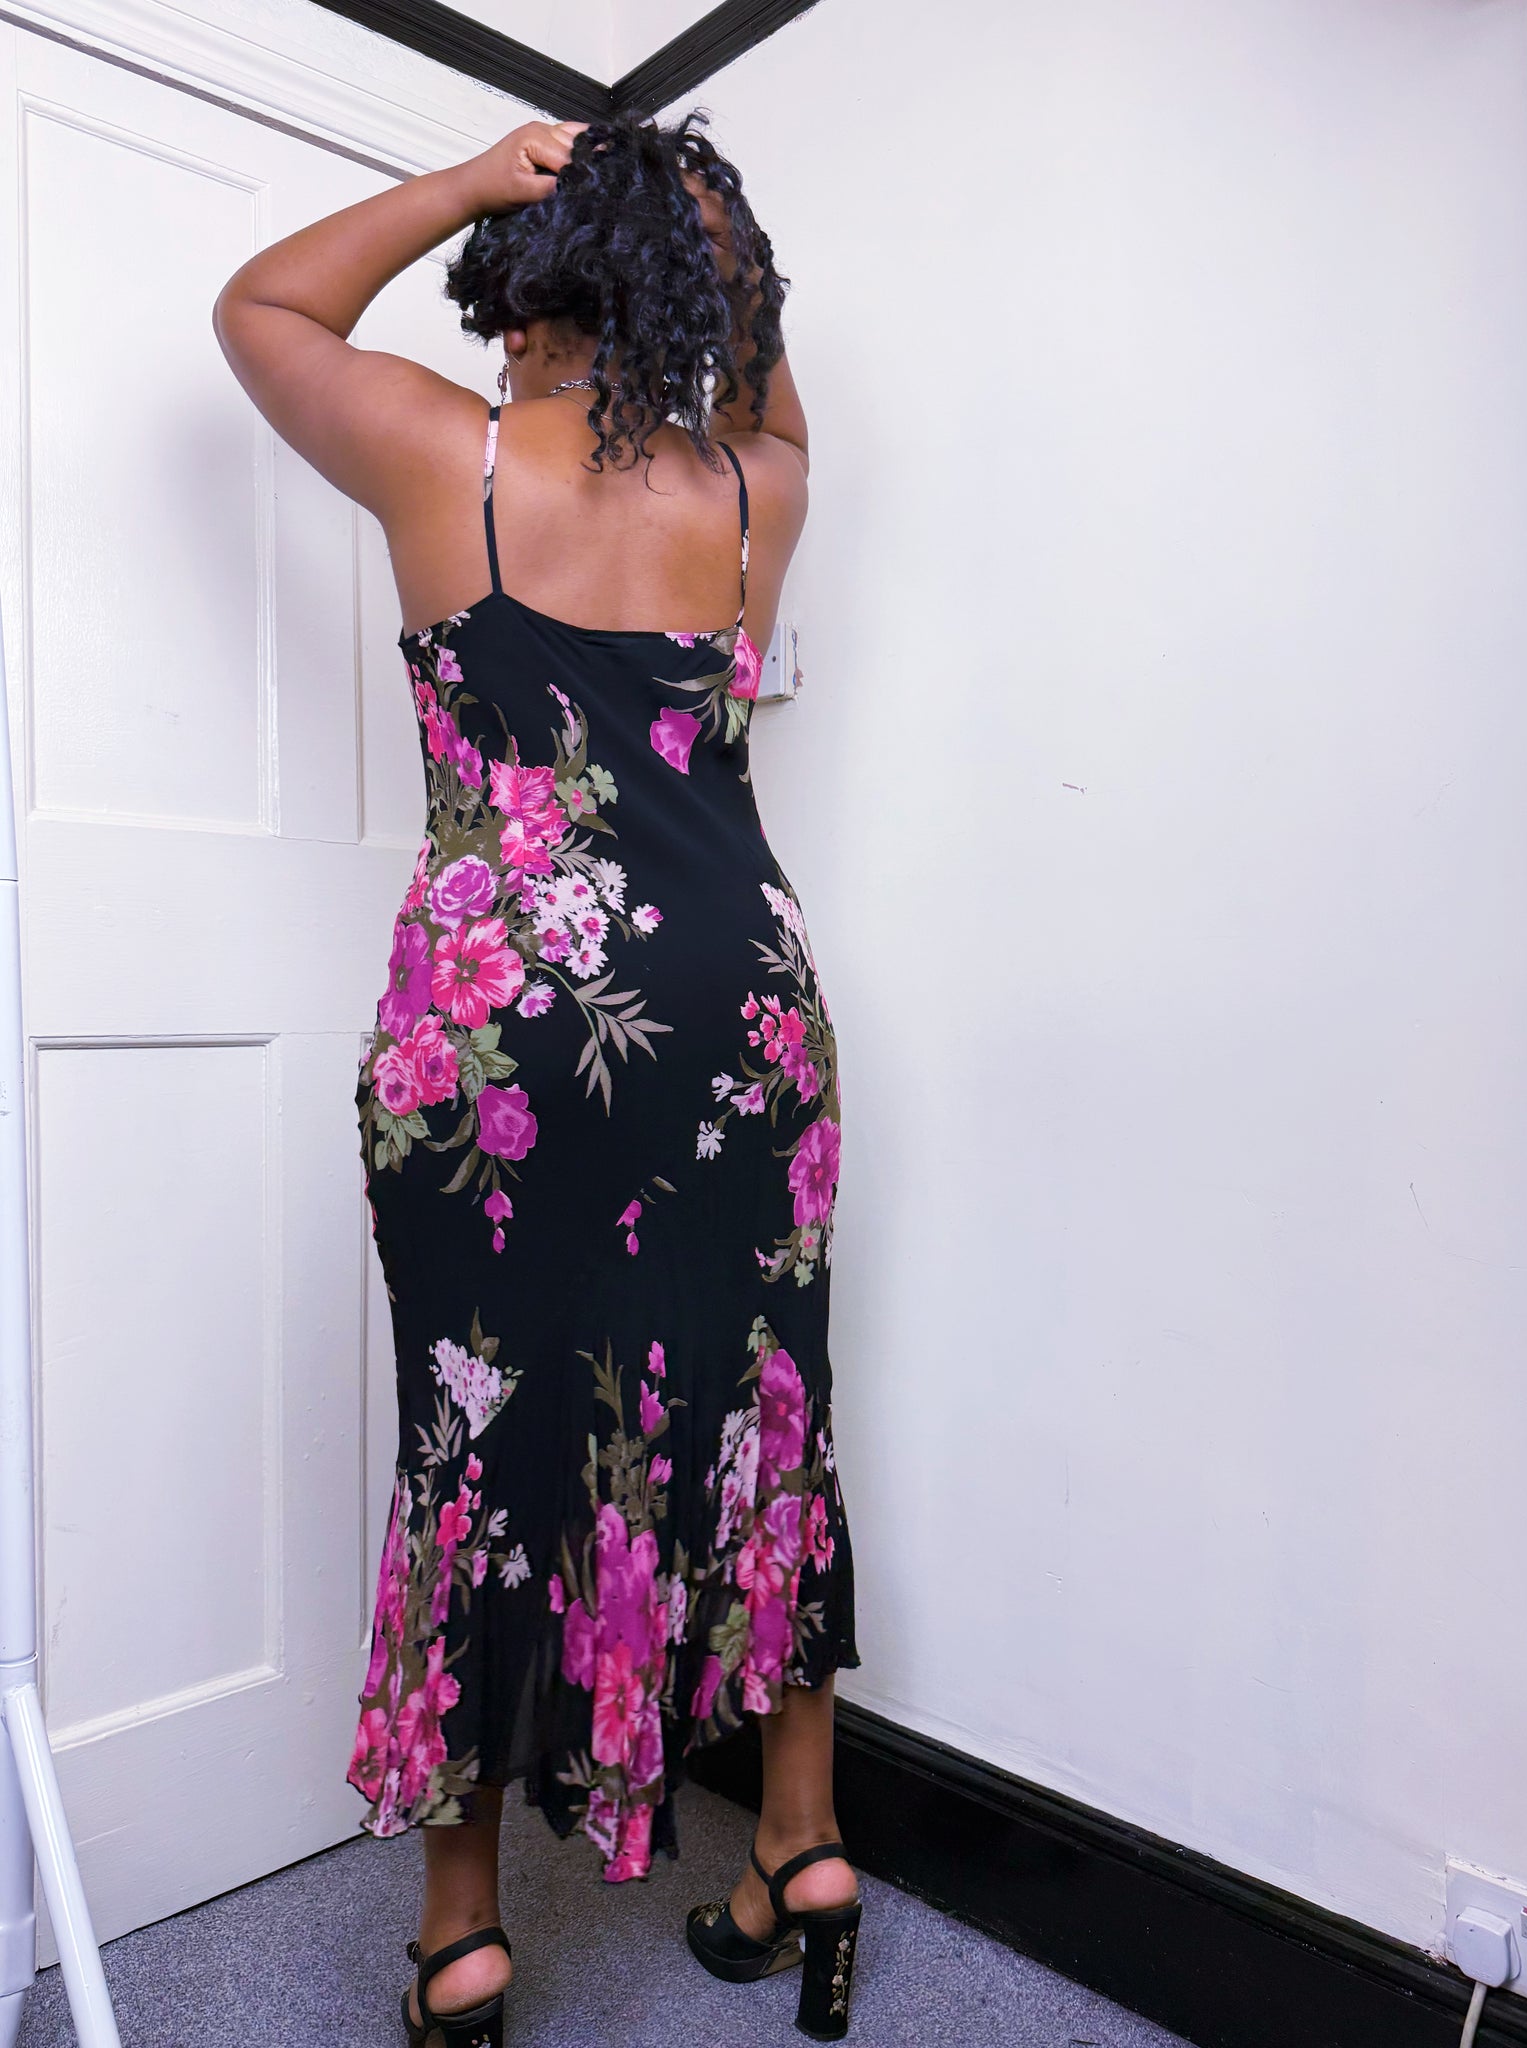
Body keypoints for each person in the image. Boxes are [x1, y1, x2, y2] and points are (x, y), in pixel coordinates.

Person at [213, 111, 861, 2043]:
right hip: (742, 1011)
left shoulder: (454, 455)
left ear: (527, 284)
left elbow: (262, 310)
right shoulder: (753, 491)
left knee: (480, 1427)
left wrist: (472, 178)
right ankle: (805, 1847)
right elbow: (774, 396)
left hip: (501, 1028)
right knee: (763, 1401)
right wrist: (716, 248)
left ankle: (463, 1937)